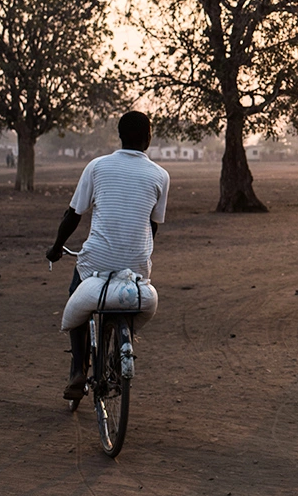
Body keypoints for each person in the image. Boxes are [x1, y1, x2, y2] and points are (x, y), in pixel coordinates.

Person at [45, 111, 170, 402]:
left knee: (76, 296)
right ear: (147, 138)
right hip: (137, 263)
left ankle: (78, 369)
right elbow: (152, 226)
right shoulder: (160, 176)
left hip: (96, 261)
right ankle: (117, 353)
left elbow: (73, 215)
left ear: (120, 135)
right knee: (128, 301)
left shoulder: (97, 167)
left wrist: (56, 247)